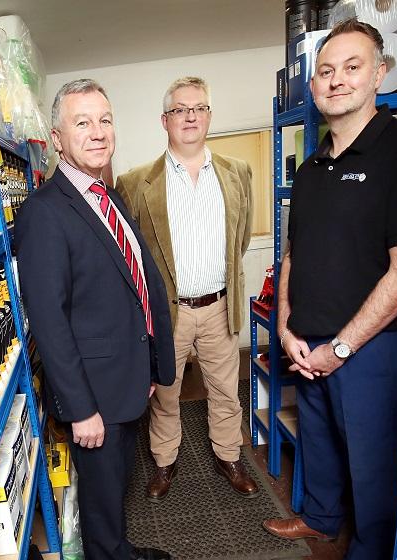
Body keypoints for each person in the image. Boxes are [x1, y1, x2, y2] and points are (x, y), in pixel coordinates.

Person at [261, 19, 397, 560]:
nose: (337, 81)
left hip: (372, 349)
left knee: (375, 464)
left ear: (380, 73)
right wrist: (287, 327)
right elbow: (291, 257)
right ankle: (321, 516)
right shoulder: (311, 169)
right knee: (323, 445)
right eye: (327, 71)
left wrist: (342, 345)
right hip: (308, 340)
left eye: (352, 67)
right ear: (313, 86)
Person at [14, 79, 177, 560]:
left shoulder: (109, 198)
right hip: (94, 394)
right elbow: (51, 321)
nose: (98, 131)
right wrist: (79, 408)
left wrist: (155, 365)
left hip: (127, 377)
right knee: (102, 489)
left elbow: (135, 286)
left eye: (104, 119)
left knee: (117, 486)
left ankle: (118, 548)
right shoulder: (44, 213)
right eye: (82, 122)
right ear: (58, 139)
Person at [116, 76, 258, 502]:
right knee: (165, 393)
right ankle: (164, 462)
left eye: (199, 108)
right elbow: (133, 255)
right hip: (168, 313)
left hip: (219, 306)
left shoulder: (238, 173)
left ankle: (229, 455)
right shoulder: (136, 182)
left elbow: (242, 239)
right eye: (180, 109)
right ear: (165, 120)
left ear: (209, 116)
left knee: (226, 390)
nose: (190, 115)